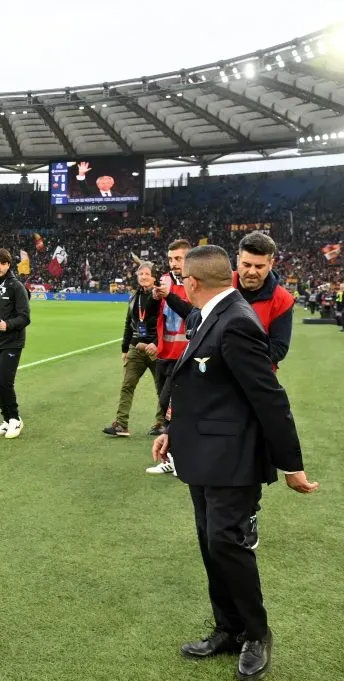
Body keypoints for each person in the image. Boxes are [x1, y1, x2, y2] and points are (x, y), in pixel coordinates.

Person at [151, 245, 317, 681]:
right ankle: (228, 629)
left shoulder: (238, 323)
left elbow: (269, 397)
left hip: (233, 458)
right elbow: (202, 388)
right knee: (211, 542)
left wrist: (291, 465)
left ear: (192, 283)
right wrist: (173, 432)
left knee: (227, 543)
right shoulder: (209, 315)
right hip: (203, 453)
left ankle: (257, 634)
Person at [146, 239, 193, 474]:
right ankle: (173, 458)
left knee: (173, 406)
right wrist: (154, 299)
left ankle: (179, 458)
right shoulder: (164, 281)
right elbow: (154, 317)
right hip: (165, 354)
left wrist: (169, 296)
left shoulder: (196, 284)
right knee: (165, 405)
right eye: (171, 259)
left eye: (179, 258)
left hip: (186, 357)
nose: (173, 263)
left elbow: (193, 314)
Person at [102, 261, 164, 437]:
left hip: (155, 349)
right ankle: (121, 424)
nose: (144, 277)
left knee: (161, 387)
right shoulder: (133, 298)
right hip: (136, 348)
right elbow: (128, 324)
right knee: (127, 385)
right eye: (141, 274)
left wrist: (158, 343)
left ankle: (161, 423)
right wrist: (124, 348)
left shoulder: (160, 297)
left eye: (147, 274)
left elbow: (165, 322)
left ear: (154, 277)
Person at [0, 248, 31, 438]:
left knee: (3, 380)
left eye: (3, 263)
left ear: (8, 265)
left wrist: (8, 324)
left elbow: (25, 317)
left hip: (12, 341)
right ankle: (6, 419)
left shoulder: (16, 287)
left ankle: (15, 420)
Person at [234, 232, 294, 368]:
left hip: (257, 379)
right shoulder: (221, 286)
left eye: (259, 266)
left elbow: (279, 348)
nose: (252, 272)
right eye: (246, 265)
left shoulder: (283, 300)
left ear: (271, 264)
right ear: (238, 260)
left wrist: (235, 351)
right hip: (219, 379)